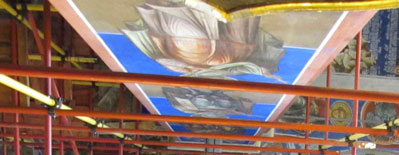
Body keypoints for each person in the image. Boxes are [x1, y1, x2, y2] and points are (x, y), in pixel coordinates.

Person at [122, 1, 285, 78]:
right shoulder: (231, 57)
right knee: (235, 49)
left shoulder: (178, 64)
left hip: (185, 46)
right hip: (225, 48)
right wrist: (261, 70)